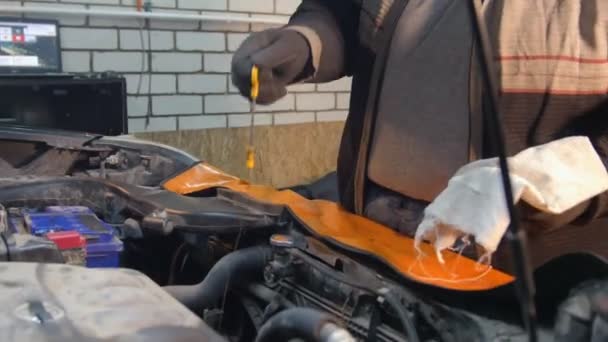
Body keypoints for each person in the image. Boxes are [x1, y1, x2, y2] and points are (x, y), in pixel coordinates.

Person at [231, 0, 608, 266]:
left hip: (525, 279)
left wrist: (547, 182)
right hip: (372, 236)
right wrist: (306, 41)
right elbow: (345, 11)